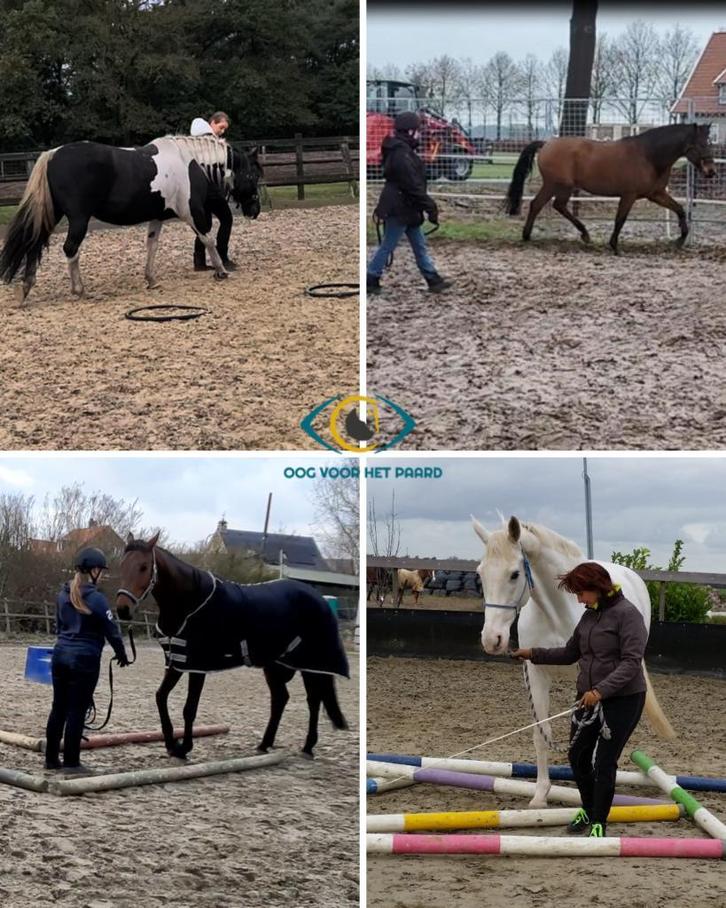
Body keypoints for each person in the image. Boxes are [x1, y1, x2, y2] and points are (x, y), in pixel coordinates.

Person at [510, 562, 648, 839]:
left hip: (623, 700)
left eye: (581, 592)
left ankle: (599, 822)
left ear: (597, 588)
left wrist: (600, 691)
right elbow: (570, 652)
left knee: (605, 762)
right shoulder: (589, 617)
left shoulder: (628, 615)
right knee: (577, 756)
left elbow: (631, 663)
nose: (578, 599)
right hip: (588, 699)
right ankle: (588, 808)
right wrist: (532, 653)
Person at [45, 547, 130, 773]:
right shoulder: (98, 599)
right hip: (84, 659)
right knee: (77, 710)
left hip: (60, 654)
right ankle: (72, 763)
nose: (101, 574)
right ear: (93, 570)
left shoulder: (62, 594)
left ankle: (51, 759)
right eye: (100, 570)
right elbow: (112, 631)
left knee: (58, 709)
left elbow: (59, 626)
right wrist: (122, 655)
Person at [367, 110, 452, 295]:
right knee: (388, 245)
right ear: (410, 131)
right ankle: (371, 277)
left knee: (419, 246)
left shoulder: (402, 151)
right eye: (418, 130)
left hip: (407, 207)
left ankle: (432, 278)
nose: (420, 134)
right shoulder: (401, 154)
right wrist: (430, 206)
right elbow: (411, 185)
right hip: (399, 208)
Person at [189, 111, 237, 272]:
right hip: (211, 188)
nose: (222, 131)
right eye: (221, 127)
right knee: (226, 219)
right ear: (213, 123)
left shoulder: (196, 140)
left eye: (224, 129)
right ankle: (222, 256)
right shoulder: (210, 141)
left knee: (205, 224)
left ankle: (199, 261)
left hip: (200, 190)